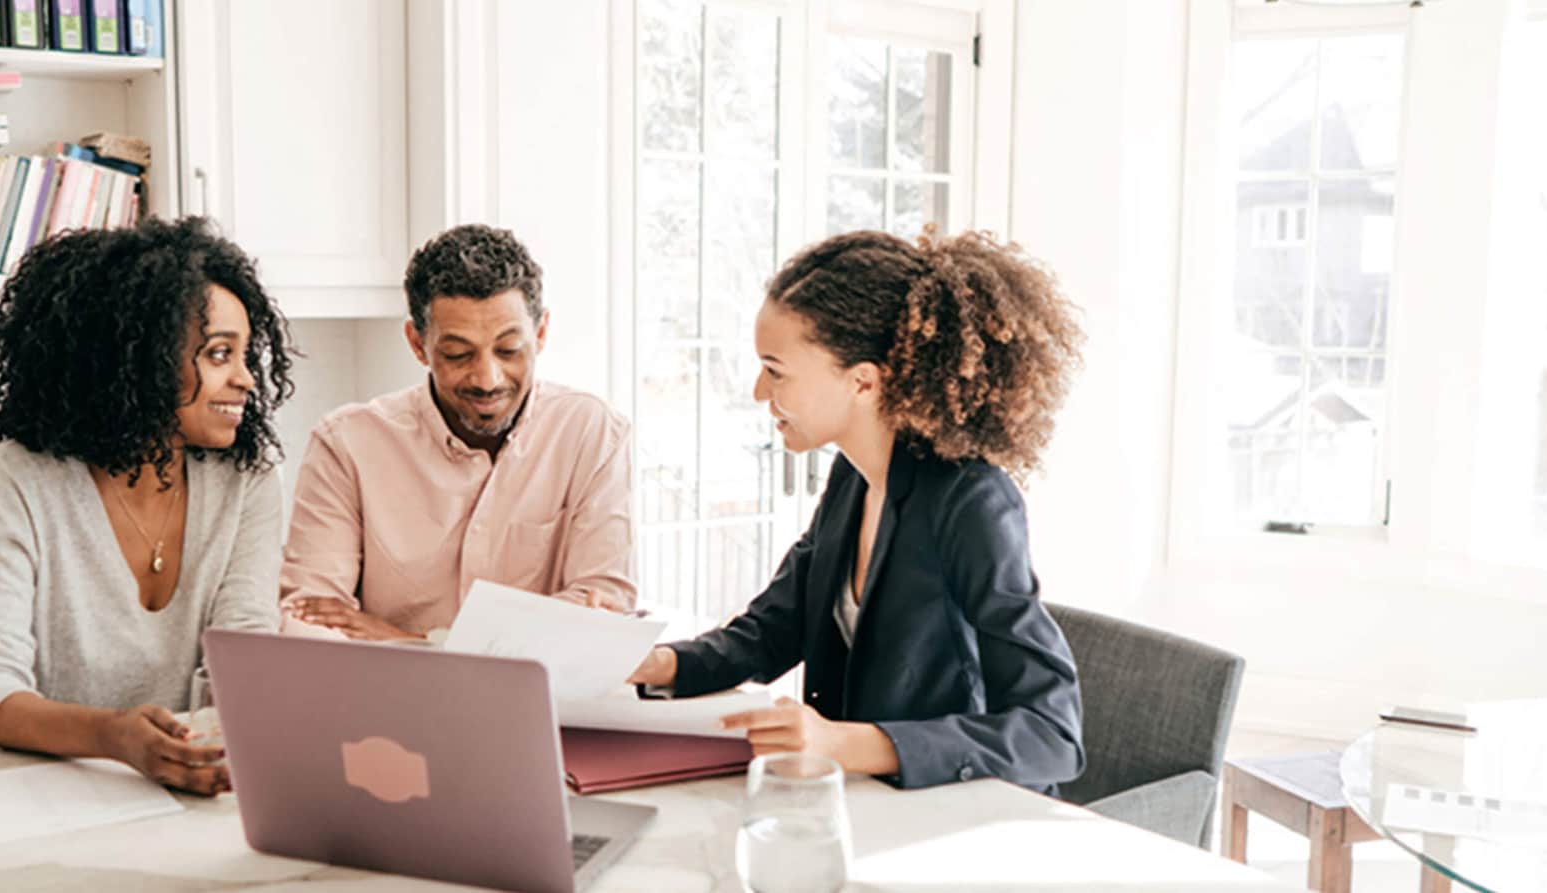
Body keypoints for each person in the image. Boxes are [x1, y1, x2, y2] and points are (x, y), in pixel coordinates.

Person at [627, 228, 1088, 793]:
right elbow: (774, 630)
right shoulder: (853, 475)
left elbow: (1051, 735)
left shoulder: (971, 502)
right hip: (865, 803)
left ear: (863, 381)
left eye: (775, 370)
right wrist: (654, 665)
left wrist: (845, 745)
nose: (756, 391)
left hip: (956, 814)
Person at [0, 217, 296, 797]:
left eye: (246, 355)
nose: (247, 379)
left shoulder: (247, 480)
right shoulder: (23, 477)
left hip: (161, 788)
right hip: (6, 790)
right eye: (220, 354)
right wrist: (113, 737)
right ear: (141, 359)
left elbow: (244, 657)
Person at [280, 223, 635, 641]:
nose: (487, 378)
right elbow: (311, 622)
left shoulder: (593, 435)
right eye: (458, 354)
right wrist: (540, 628)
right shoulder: (346, 445)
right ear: (417, 343)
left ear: (540, 334)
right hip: (389, 704)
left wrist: (412, 642)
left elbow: (604, 613)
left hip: (541, 704)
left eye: (508, 350)